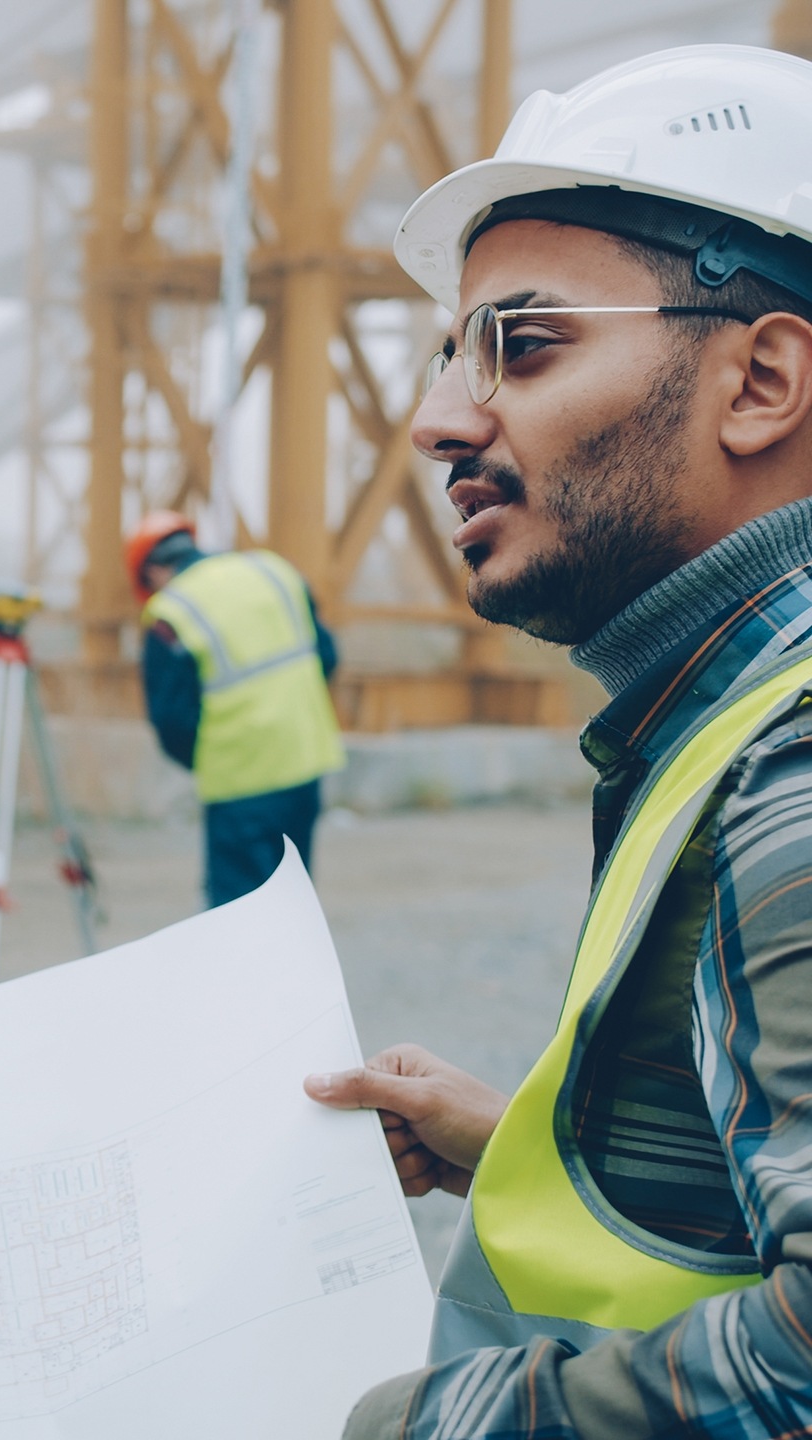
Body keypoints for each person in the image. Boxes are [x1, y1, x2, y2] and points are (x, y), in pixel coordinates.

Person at [301, 42, 812, 1439]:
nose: (438, 421)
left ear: (762, 382)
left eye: (523, 343)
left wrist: (425, 1426)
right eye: (452, 352)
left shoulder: (794, 774)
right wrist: (562, 1144)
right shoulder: (721, 712)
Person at [126, 510, 345, 907]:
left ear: (154, 572)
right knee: (293, 905)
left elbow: (170, 720)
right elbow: (326, 656)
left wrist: (210, 756)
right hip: (305, 765)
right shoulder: (273, 571)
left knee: (239, 919)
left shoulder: (171, 613)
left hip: (239, 785)